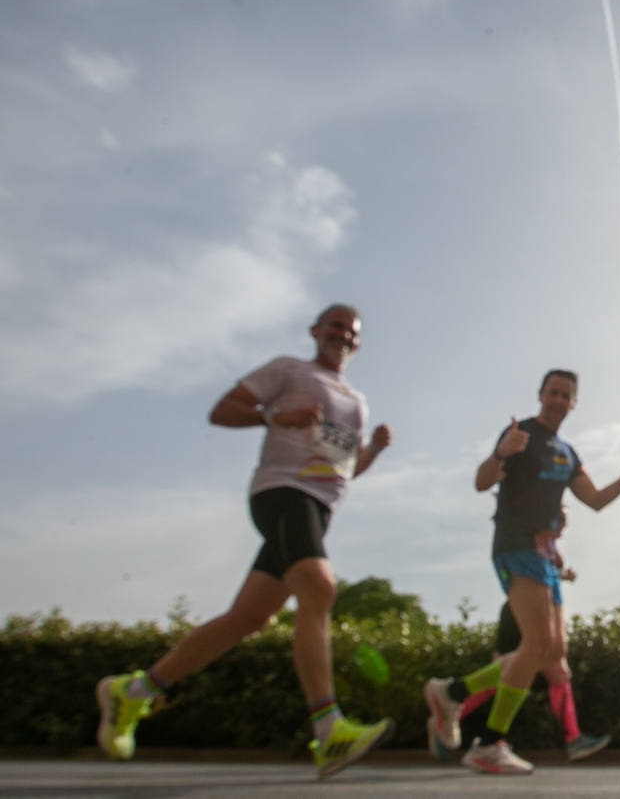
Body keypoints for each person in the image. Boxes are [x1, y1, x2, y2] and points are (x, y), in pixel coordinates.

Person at [95, 304, 396, 779]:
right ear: (315, 330)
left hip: (319, 509)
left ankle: (132, 692)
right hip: (282, 492)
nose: (343, 334)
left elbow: (348, 468)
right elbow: (222, 411)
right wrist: (277, 416)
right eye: (335, 325)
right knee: (319, 587)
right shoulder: (288, 369)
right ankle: (328, 730)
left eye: (351, 331)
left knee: (247, 619)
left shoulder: (356, 401)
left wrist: (374, 448)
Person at [424, 368, 620, 775]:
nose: (558, 400)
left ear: (574, 403)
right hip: (515, 545)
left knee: (551, 651)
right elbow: (481, 482)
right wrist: (501, 454)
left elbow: (596, 500)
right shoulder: (520, 435)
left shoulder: (568, 453)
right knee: (538, 642)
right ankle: (489, 744)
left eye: (566, 395)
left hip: (544, 557)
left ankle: (452, 692)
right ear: (540, 394)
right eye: (553, 392)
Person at [432, 506, 611, 763]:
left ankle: (572, 739)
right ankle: (450, 708)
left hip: (542, 610)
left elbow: (545, 576)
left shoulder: (550, 550)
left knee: (558, 671)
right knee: (506, 674)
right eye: (561, 519)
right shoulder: (528, 537)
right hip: (519, 614)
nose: (564, 525)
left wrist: (562, 575)